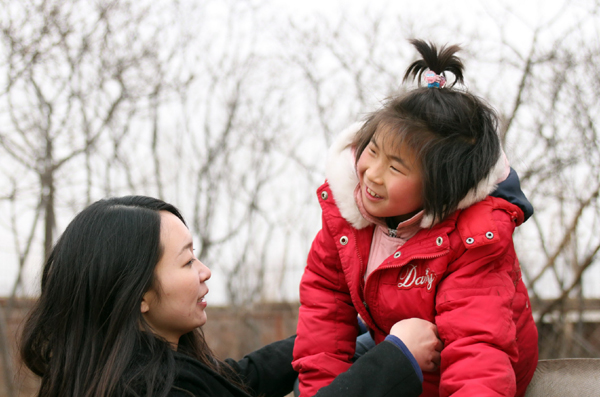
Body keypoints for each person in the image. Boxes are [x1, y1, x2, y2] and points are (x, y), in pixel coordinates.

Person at [292, 40, 539, 397]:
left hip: (482, 371)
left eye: (395, 167)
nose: (372, 175)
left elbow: (478, 350)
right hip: (402, 358)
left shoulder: (473, 239)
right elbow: (323, 317)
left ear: (440, 188)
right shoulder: (347, 218)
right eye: (372, 151)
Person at [20, 195, 442, 397]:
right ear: (138, 294)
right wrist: (397, 359)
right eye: (187, 263)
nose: (205, 273)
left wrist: (341, 328)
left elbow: (240, 377)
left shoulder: (134, 373)